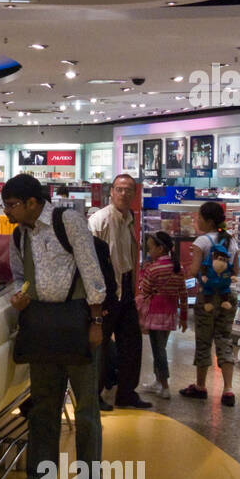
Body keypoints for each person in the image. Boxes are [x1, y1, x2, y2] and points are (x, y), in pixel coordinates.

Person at [2, 174, 106, 479]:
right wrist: (19, 296)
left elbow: (91, 270)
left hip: (77, 320)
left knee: (87, 409)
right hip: (42, 324)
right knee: (43, 408)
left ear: (34, 203)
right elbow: (20, 278)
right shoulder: (19, 235)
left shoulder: (68, 221)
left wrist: (97, 320)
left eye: (13, 205)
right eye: (5, 206)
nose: (8, 212)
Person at [88, 174, 152, 409]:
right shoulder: (99, 220)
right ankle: (94, 394)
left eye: (128, 190)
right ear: (111, 192)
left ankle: (126, 392)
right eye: (119, 189)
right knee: (101, 344)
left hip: (125, 288)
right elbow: (90, 259)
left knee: (132, 343)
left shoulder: (129, 218)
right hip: (105, 290)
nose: (124, 194)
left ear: (134, 194)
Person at [180, 200, 239, 405]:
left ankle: (201, 386)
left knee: (204, 341)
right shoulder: (231, 240)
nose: (197, 221)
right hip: (227, 297)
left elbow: (195, 271)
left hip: (206, 297)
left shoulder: (202, 242)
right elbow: (236, 271)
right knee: (224, 339)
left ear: (209, 221)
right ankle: (229, 389)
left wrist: (189, 274)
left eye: (200, 218)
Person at [136, 231, 188, 399]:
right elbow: (183, 293)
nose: (149, 251)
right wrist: (184, 317)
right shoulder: (178, 268)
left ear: (160, 248)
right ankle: (158, 381)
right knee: (161, 348)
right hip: (170, 313)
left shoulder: (153, 268)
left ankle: (164, 385)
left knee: (158, 351)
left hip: (155, 313)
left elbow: (145, 290)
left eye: (151, 248)